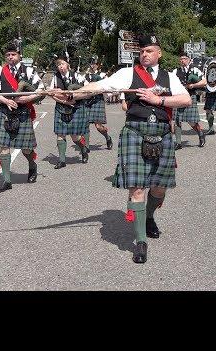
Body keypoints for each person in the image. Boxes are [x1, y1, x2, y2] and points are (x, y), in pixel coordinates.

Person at [69, 34, 191, 264]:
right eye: (142, 51)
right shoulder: (127, 74)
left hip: (163, 134)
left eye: (149, 51)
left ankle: (149, 216)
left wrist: (159, 101)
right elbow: (99, 86)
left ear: (159, 53)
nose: (144, 54)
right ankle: (140, 242)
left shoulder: (170, 77)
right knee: (137, 190)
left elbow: (186, 100)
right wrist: (72, 94)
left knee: (159, 189)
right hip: (135, 133)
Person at [0, 42, 43, 193]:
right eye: (7, 55)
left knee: (26, 149)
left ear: (19, 56)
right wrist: (5, 100)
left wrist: (28, 99)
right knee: (4, 147)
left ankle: (32, 165)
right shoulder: (0, 71)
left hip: (23, 112)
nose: (10, 57)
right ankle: (7, 180)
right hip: (6, 112)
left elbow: (41, 90)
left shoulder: (30, 71)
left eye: (13, 54)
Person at [50, 58, 90, 168]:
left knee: (75, 137)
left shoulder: (77, 76)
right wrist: (63, 100)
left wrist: (74, 97)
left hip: (76, 107)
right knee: (60, 134)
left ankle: (83, 149)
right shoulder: (55, 77)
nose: (60, 66)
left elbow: (87, 89)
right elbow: (52, 94)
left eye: (62, 64)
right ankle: (62, 160)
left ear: (67, 65)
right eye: (58, 65)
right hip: (61, 107)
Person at [172, 50, 206, 149]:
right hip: (178, 97)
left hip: (190, 96)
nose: (183, 60)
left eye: (185, 59)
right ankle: (178, 143)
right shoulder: (175, 71)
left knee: (191, 121)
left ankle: (200, 134)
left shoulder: (195, 70)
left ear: (189, 60)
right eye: (181, 59)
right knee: (177, 120)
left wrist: (194, 85)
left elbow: (204, 82)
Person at [83, 58, 113, 150]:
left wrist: (101, 83)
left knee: (98, 126)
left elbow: (108, 87)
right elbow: (84, 87)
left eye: (95, 63)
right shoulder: (87, 76)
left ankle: (108, 138)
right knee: (85, 124)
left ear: (98, 64)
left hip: (98, 100)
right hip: (88, 100)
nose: (93, 65)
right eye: (91, 63)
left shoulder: (103, 75)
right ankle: (86, 146)